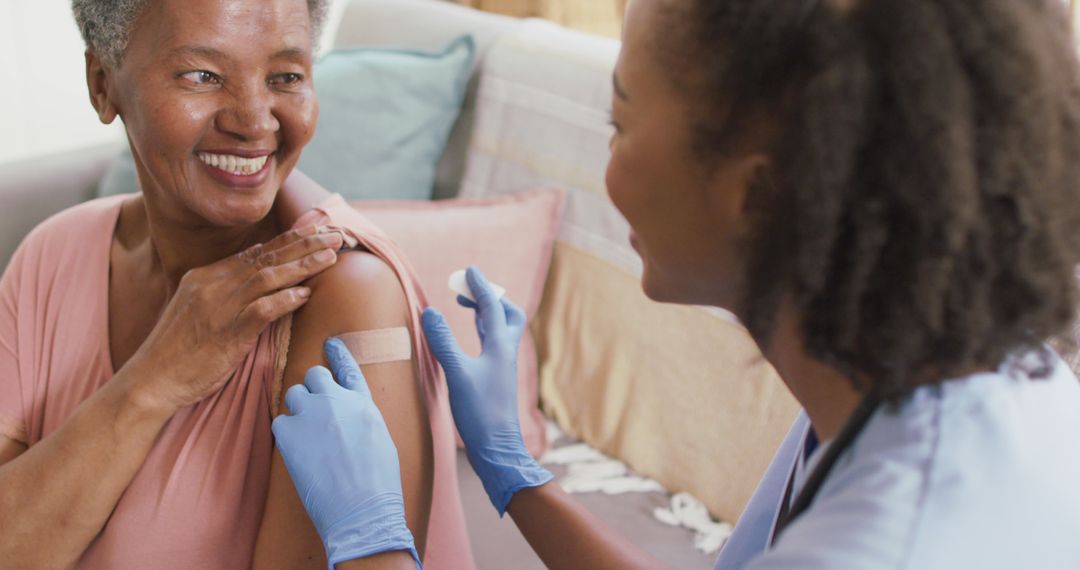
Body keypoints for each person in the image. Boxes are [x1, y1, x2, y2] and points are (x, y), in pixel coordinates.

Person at [272, 0, 1080, 568]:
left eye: (620, 123)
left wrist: (372, 542)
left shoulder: (892, 542)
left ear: (756, 193)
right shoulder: (983, 376)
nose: (607, 167)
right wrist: (520, 478)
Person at [0, 0, 474, 568]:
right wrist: (155, 379)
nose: (255, 122)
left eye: (286, 77)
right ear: (103, 84)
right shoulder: (53, 255)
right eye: (202, 75)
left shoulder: (349, 294)